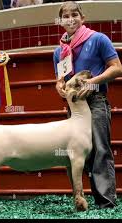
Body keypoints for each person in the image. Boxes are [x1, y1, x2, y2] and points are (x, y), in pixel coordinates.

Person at [53, 1, 122, 209]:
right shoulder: (59, 51)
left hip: (96, 101)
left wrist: (92, 82)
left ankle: (106, 201)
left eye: (75, 14)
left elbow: (117, 68)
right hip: (74, 106)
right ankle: (84, 197)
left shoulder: (99, 39)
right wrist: (59, 86)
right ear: (61, 21)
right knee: (79, 151)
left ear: (82, 18)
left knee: (101, 149)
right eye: (65, 16)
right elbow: (61, 79)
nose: (70, 18)